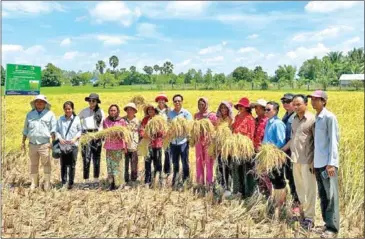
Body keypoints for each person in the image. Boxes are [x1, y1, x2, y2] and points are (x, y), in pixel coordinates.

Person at [307, 90, 340, 238]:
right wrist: (314, 161)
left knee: (331, 195)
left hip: (328, 165)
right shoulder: (317, 118)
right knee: (324, 195)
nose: (313, 101)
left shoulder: (329, 117)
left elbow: (334, 141)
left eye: (316, 99)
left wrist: (331, 163)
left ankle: (333, 229)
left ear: (324, 101)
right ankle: (327, 225)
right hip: (319, 164)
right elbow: (318, 144)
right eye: (312, 99)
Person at [287, 94, 316, 230]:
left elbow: (317, 142)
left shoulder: (312, 120)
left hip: (307, 160)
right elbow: (293, 139)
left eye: (298, 104)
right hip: (295, 159)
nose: (296, 107)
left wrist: (314, 161)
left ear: (306, 104)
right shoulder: (294, 120)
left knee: (309, 189)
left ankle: (310, 218)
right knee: (300, 189)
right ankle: (303, 214)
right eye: (294, 104)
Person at [22, 95, 57, 191]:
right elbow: (25, 129)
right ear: (34, 103)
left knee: (46, 164)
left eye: (41, 101)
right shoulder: (30, 114)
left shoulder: (50, 114)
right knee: (33, 164)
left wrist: (53, 143)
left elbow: (54, 130)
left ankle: (47, 183)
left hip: (45, 144)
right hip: (32, 144)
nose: (39, 103)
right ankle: (34, 183)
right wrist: (23, 142)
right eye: (37, 101)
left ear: (45, 103)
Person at [262, 101, 287, 210]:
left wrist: (271, 152)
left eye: (268, 109)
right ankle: (276, 202)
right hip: (268, 156)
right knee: (272, 179)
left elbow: (281, 142)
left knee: (278, 180)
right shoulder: (269, 122)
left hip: (275, 157)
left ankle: (280, 205)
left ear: (275, 111)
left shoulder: (278, 123)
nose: (265, 111)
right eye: (265, 109)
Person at [78, 93, 105, 187]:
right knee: (86, 157)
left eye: (93, 100)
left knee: (96, 158)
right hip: (86, 135)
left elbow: (102, 125)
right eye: (89, 100)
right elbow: (77, 120)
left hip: (97, 135)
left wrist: (99, 135)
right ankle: (86, 180)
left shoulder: (101, 111)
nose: (91, 102)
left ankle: (96, 179)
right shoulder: (84, 111)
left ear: (97, 102)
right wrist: (80, 131)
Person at [231, 97, 256, 198]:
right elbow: (233, 129)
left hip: (245, 148)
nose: (240, 108)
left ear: (247, 108)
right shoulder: (237, 117)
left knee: (246, 169)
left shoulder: (250, 118)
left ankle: (247, 193)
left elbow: (251, 134)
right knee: (236, 169)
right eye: (239, 106)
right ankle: (238, 191)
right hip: (235, 147)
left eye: (243, 106)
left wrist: (244, 144)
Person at [167, 94, 193, 187]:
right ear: (173, 102)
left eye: (179, 101)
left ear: (182, 101)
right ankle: (176, 180)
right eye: (175, 101)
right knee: (175, 163)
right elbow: (168, 126)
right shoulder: (170, 114)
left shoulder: (186, 113)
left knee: (185, 162)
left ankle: (186, 181)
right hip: (173, 142)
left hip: (183, 142)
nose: (177, 102)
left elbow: (190, 127)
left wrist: (181, 129)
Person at [55, 101, 82, 190]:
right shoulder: (60, 119)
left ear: (72, 109)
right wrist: (60, 138)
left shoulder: (77, 119)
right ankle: (63, 182)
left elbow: (80, 130)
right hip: (63, 145)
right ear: (64, 109)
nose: (67, 111)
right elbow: (57, 131)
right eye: (66, 109)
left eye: (69, 109)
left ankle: (71, 183)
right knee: (63, 164)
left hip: (73, 145)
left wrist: (75, 138)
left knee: (72, 165)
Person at [280, 93, 300, 211]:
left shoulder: (295, 118)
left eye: (288, 101)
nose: (285, 104)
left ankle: (297, 203)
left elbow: (294, 138)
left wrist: (283, 149)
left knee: (294, 177)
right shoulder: (286, 115)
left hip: (292, 152)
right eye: (284, 102)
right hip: (286, 152)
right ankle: (293, 199)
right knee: (288, 175)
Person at [250, 99, 272, 198]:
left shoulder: (268, 121)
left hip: (264, 152)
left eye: (258, 108)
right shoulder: (255, 120)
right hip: (254, 150)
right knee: (257, 173)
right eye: (255, 108)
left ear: (263, 109)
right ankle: (261, 193)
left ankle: (270, 194)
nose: (256, 110)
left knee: (265, 174)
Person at [103, 104, 127, 191]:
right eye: (111, 110)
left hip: (118, 146)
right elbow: (105, 132)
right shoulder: (106, 121)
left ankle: (120, 184)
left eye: (114, 110)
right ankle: (111, 184)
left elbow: (124, 134)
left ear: (117, 111)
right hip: (109, 146)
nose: (112, 112)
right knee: (110, 166)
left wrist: (125, 145)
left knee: (119, 165)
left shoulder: (121, 121)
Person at [194, 97, 217, 187]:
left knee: (209, 162)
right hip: (199, 142)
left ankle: (209, 183)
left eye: (202, 104)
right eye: (199, 104)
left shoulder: (212, 116)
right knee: (199, 161)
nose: (200, 106)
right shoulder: (196, 115)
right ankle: (200, 182)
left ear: (206, 105)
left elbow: (216, 128)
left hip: (208, 142)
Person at [140, 104, 165, 187]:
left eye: (152, 109)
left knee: (157, 163)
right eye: (149, 110)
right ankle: (147, 181)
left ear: (155, 110)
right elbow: (141, 130)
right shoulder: (145, 119)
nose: (150, 111)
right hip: (147, 145)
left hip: (157, 144)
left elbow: (163, 132)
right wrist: (145, 135)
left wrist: (155, 131)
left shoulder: (159, 119)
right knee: (147, 163)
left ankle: (158, 180)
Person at [215, 101, 233, 194]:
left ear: (228, 109)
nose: (223, 110)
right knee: (220, 166)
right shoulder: (218, 119)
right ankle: (222, 185)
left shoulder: (230, 119)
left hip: (228, 147)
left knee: (228, 166)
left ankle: (229, 187)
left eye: (225, 108)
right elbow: (217, 132)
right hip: (220, 147)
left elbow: (232, 132)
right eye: (221, 108)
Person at [122, 103, 140, 185]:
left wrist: (139, 144)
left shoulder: (138, 121)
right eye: (128, 109)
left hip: (134, 145)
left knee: (134, 164)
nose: (129, 111)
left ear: (134, 111)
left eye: (131, 109)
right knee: (124, 164)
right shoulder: (122, 120)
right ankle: (125, 179)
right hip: (124, 145)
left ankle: (133, 180)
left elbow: (141, 133)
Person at [155, 93, 171, 180]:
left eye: (163, 100)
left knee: (167, 152)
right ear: (157, 101)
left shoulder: (169, 111)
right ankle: (158, 170)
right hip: (157, 135)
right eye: (159, 100)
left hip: (166, 135)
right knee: (158, 153)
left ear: (165, 101)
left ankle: (167, 171)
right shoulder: (155, 110)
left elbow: (171, 121)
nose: (161, 101)